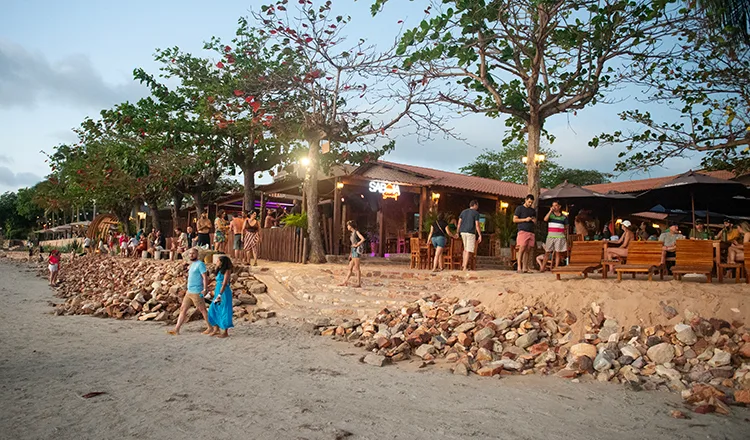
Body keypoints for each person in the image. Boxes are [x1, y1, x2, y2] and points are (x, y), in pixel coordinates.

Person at [168, 248, 211, 336]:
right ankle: (177, 329)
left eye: (193, 254)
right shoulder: (191, 265)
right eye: (190, 254)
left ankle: (210, 327)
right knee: (183, 309)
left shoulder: (200, 264)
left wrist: (205, 289)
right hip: (189, 291)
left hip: (197, 291)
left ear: (197, 255)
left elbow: (205, 277)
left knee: (202, 310)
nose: (191, 255)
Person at [207, 255, 234, 338]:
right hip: (218, 290)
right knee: (213, 309)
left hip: (224, 292)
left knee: (224, 310)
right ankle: (216, 328)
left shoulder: (227, 270)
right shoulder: (219, 270)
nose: (216, 262)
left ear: (222, 262)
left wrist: (219, 294)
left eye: (218, 261)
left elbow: (225, 283)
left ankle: (225, 332)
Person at [540, 201, 568, 271]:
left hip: (560, 236)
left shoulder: (564, 217)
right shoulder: (551, 215)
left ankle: (556, 268)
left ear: (559, 206)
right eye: (553, 206)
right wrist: (550, 211)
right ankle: (542, 268)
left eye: (556, 205)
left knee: (558, 252)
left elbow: (566, 227)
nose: (554, 207)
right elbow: (545, 219)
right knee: (547, 252)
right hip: (550, 236)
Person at [456, 200, 482, 271]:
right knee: (468, 250)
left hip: (462, 232)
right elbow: (477, 225)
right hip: (470, 232)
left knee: (465, 249)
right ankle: (464, 267)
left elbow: (459, 223)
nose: (478, 207)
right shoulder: (476, 213)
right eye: (477, 205)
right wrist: (480, 235)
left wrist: (457, 232)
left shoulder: (463, 212)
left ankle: (463, 265)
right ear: (475, 205)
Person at [513, 195, 537, 274]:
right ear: (526, 200)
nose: (530, 203)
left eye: (531, 202)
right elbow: (515, 220)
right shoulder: (519, 208)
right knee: (522, 248)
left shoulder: (532, 210)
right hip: (523, 230)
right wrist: (525, 219)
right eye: (529, 202)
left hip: (531, 231)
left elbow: (535, 220)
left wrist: (533, 220)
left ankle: (525, 268)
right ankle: (519, 267)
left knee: (528, 250)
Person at [340, 221, 365, 287]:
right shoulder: (352, 234)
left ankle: (359, 283)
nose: (347, 227)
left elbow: (362, 239)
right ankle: (345, 281)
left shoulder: (356, 232)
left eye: (348, 225)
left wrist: (357, 245)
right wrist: (350, 254)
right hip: (353, 251)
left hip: (356, 251)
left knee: (357, 267)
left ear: (351, 226)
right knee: (350, 267)